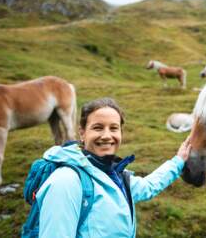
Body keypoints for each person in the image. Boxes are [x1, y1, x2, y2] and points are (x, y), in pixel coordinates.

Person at [36, 97, 191, 237]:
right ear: (82, 133)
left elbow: (148, 186)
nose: (106, 135)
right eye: (98, 127)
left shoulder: (117, 176)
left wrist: (177, 161)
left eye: (114, 128)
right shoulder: (66, 182)